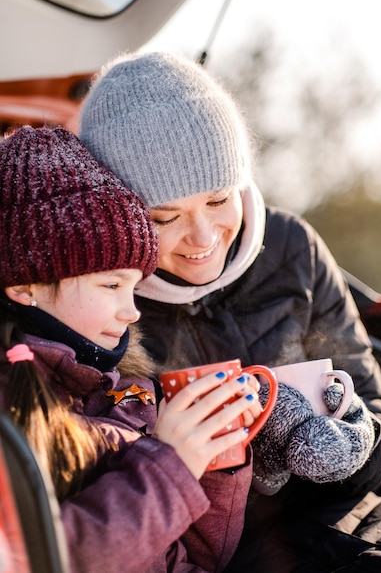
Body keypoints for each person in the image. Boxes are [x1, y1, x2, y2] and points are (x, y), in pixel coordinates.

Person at [78, 50, 381, 572]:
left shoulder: (292, 248)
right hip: (220, 556)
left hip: (360, 524)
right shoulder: (101, 300)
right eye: (166, 216)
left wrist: (356, 448)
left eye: (219, 200)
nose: (204, 238)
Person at [0, 125, 262, 573]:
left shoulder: (126, 389)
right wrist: (171, 464)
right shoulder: (14, 403)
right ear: (27, 287)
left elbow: (201, 558)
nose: (132, 312)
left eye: (134, 287)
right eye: (111, 285)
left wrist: (214, 457)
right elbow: (41, 560)